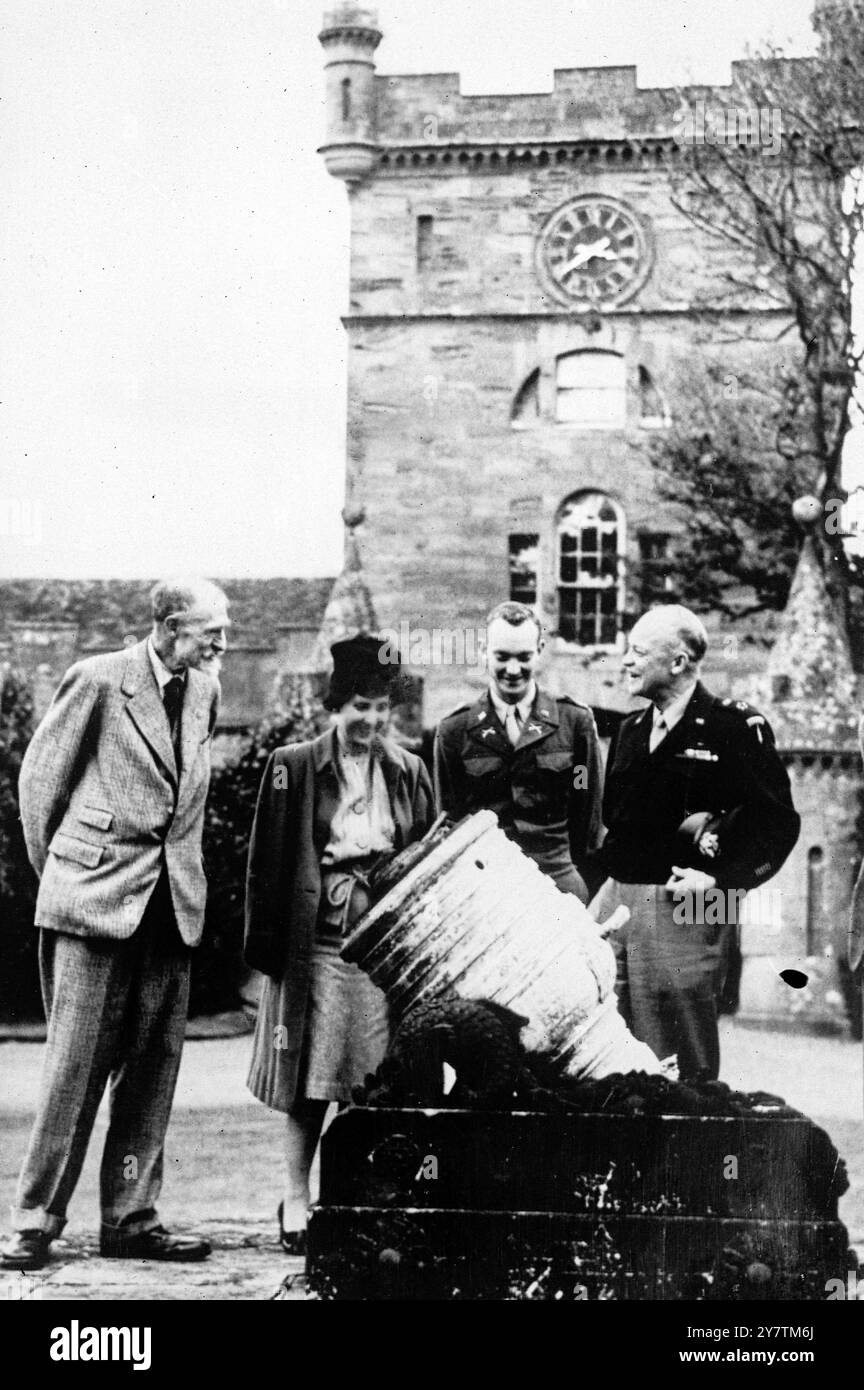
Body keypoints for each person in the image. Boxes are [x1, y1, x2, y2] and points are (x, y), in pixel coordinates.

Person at [1, 578, 229, 1271]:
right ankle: (34, 1223)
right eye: (209, 630)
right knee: (73, 1068)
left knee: (153, 1072)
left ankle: (130, 1216)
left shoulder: (207, 692)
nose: (222, 642)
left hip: (171, 910)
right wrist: (71, 880)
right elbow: (40, 786)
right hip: (93, 907)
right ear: (167, 626)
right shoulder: (99, 680)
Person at [243, 634, 435, 1253]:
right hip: (320, 941)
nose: (371, 720)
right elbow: (265, 862)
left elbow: (429, 859)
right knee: (310, 1077)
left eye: (381, 708)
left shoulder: (409, 770)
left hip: (384, 945)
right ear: (335, 704)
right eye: (359, 706)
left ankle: (357, 1198)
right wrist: (266, 953)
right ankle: (295, 1197)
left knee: (375, 1080)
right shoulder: (292, 766)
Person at [590, 604, 800, 1080]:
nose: (625, 660)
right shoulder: (629, 731)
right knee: (609, 1059)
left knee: (681, 1068)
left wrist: (721, 882)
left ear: (679, 662)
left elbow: (778, 823)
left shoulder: (734, 727)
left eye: (638, 652)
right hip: (620, 907)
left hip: (684, 913)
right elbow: (615, 827)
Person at [433, 601, 603, 902]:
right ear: (484, 651)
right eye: (502, 657)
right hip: (485, 889)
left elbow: (586, 810)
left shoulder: (574, 722)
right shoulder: (454, 730)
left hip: (557, 885)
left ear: (540, 650)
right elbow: (450, 818)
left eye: (524, 657)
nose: (513, 670)